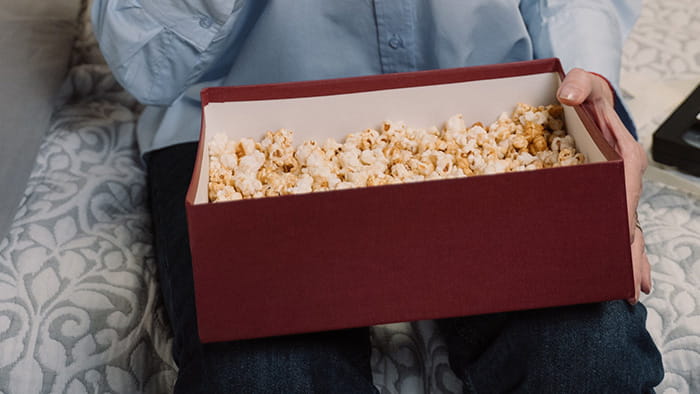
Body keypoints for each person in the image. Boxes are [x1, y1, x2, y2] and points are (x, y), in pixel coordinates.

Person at [92, 1, 663, 392]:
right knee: (263, 381)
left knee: (590, 363)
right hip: (246, 134)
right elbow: (147, 64)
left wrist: (591, 83)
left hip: (507, 110)